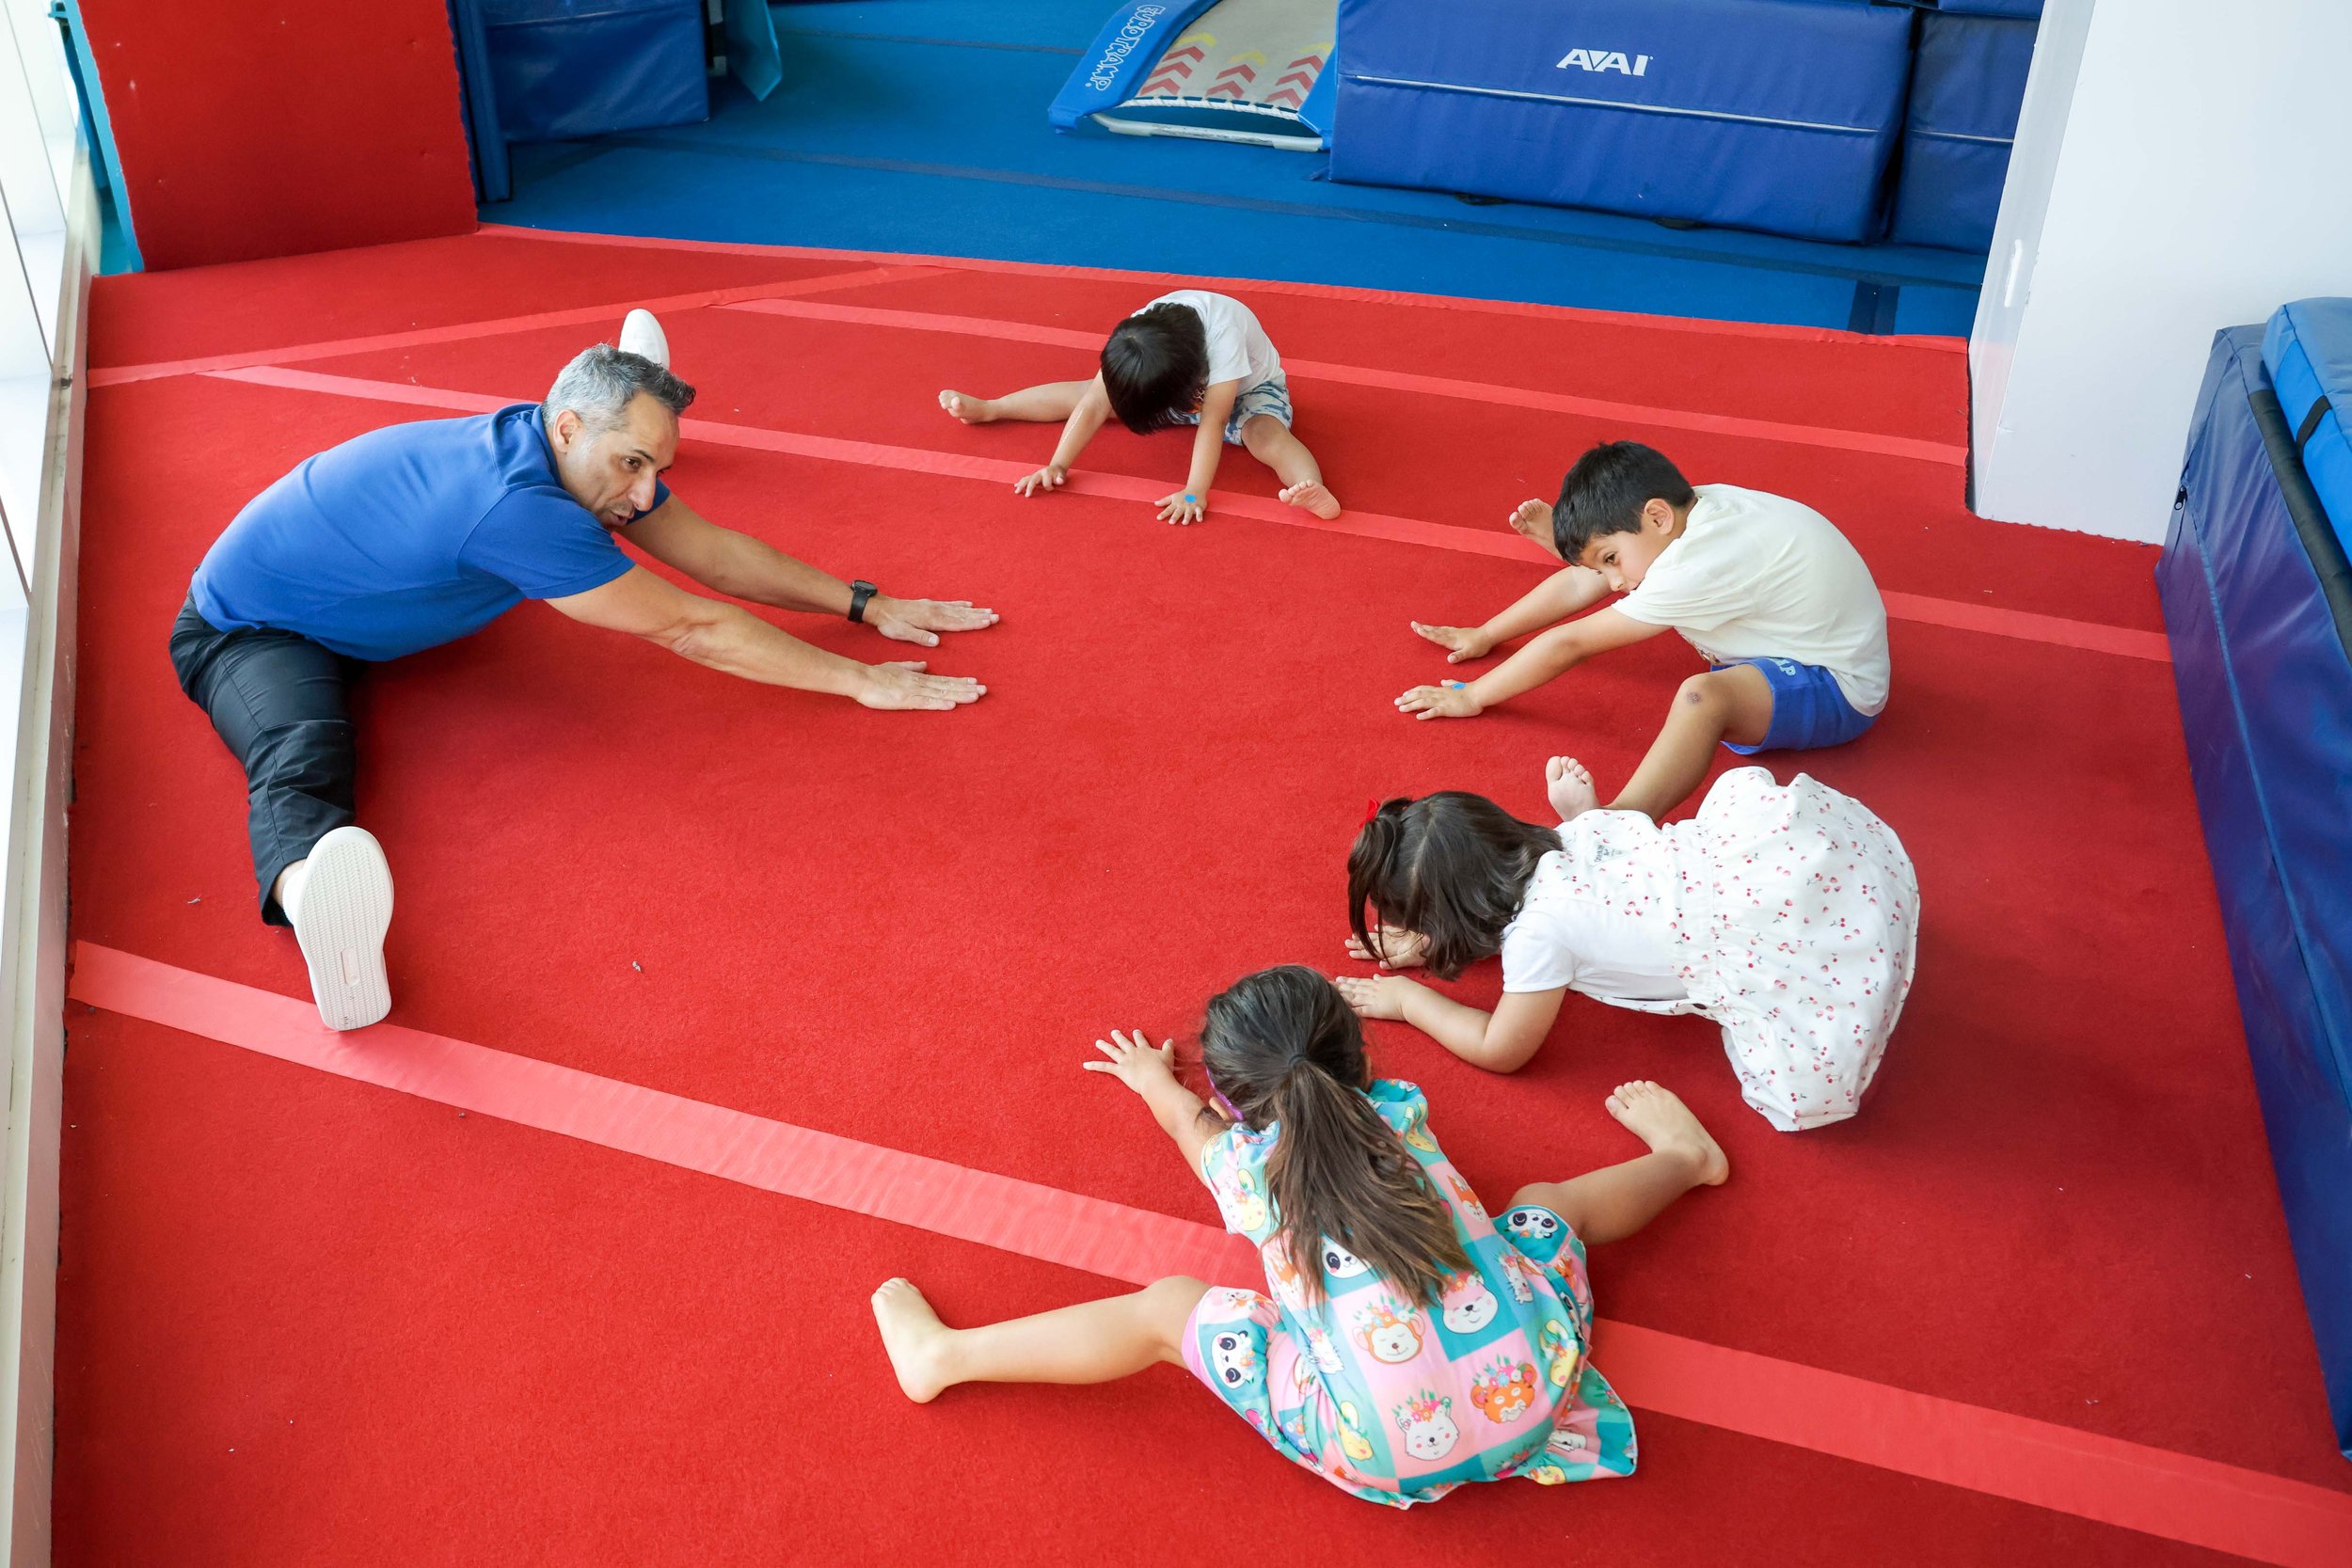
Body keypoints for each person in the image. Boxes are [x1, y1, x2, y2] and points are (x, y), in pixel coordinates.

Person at [171, 321, 995, 1031]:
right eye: (633, 461)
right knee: (305, 745)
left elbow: (711, 551)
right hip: (253, 626)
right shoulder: (520, 507)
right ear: (565, 427)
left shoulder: (550, 449)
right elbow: (690, 625)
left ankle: (630, 375)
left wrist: (863, 603)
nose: (644, 497)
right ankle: (313, 887)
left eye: (656, 467)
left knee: (583, 549)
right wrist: (858, 682)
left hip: (360, 598)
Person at [868, 965, 1725, 1506]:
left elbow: (1191, 1131)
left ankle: (945, 1357)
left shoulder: (1245, 1172)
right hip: (1538, 1389)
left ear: (1235, 1104)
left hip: (1383, 1450)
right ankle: (1687, 1160)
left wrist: (1148, 1080)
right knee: (1545, 1203)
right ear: (1360, 1063)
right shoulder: (1402, 1116)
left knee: (1169, 1310)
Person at [1336, 757, 1917, 1132]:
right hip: (1804, 874)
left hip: (1798, 949)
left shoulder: (1539, 936)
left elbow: (1501, 1048)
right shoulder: (1575, 836)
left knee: (1796, 1087)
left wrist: (1409, 1003)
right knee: (1613, 841)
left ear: (1455, 917)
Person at [1397, 441, 1889, 821]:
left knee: (1703, 696)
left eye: (1610, 560)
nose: (1612, 582)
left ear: (1657, 515)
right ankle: (1580, 546)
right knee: (1626, 579)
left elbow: (1570, 644)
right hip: (1798, 637)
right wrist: (1485, 634)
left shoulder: (1695, 564)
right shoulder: (1691, 510)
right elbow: (1581, 584)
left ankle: (1618, 821)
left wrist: (1473, 696)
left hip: (1837, 689)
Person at [937, 289, 1342, 524]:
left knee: (1263, 432)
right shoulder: (1138, 337)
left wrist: (1192, 492)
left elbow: (1213, 419)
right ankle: (992, 408)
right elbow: (1095, 402)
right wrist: (1057, 464)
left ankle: (1312, 486)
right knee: (1084, 391)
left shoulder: (1223, 335)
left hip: (1246, 390)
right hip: (1176, 382)